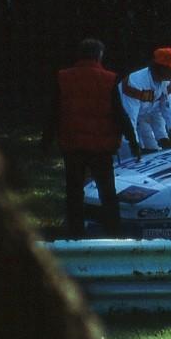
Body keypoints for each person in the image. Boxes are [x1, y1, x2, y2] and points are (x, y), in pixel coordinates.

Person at [42, 38, 140, 237]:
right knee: (108, 192)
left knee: (74, 191)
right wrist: (133, 140)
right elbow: (119, 114)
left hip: (72, 144)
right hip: (101, 145)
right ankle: (114, 232)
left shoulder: (63, 77)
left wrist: (46, 141)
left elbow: (54, 111)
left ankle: (76, 232)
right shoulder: (109, 78)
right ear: (99, 55)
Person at [118, 47, 171, 153]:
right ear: (161, 67)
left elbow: (169, 110)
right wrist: (134, 146)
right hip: (123, 119)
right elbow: (129, 118)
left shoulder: (166, 81)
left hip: (146, 115)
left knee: (157, 149)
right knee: (130, 156)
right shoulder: (135, 82)